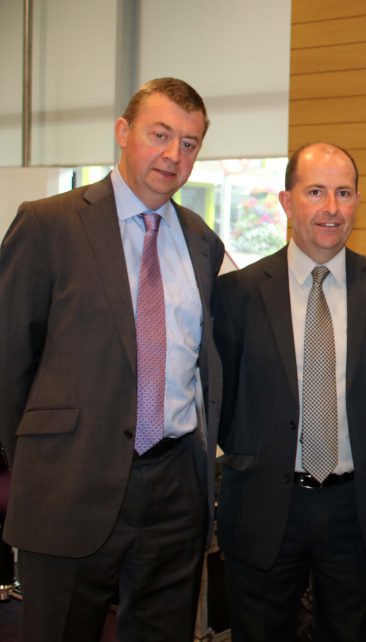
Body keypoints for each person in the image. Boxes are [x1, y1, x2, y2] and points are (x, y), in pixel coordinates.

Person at [0, 77, 223, 641]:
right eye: (160, 134)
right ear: (124, 132)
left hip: (175, 486)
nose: (174, 155)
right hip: (69, 484)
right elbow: (7, 364)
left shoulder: (201, 242)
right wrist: (37, 462)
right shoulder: (49, 223)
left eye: (190, 143)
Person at [214, 143, 366, 641]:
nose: (331, 208)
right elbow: (223, 401)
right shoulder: (237, 293)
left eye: (343, 193)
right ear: (286, 201)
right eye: (316, 192)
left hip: (354, 505)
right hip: (262, 506)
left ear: (357, 202)